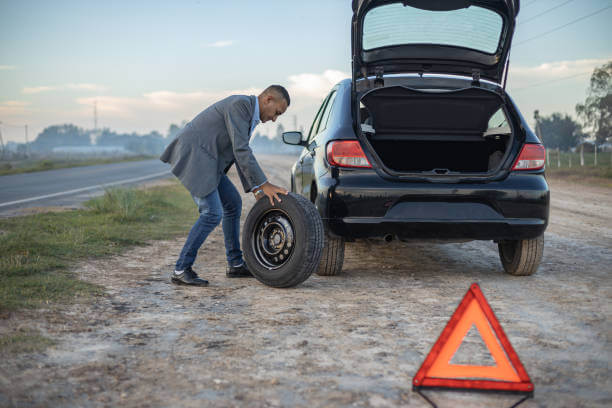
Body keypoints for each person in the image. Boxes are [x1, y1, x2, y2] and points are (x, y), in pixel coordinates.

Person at [160, 85, 290, 286]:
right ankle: (181, 268)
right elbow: (241, 150)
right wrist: (264, 184)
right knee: (212, 213)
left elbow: (238, 153)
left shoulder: (248, 114)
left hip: (209, 161)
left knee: (233, 203)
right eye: (277, 113)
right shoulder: (240, 106)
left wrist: (256, 188)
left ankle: (235, 264)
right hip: (196, 156)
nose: (274, 119)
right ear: (268, 99)